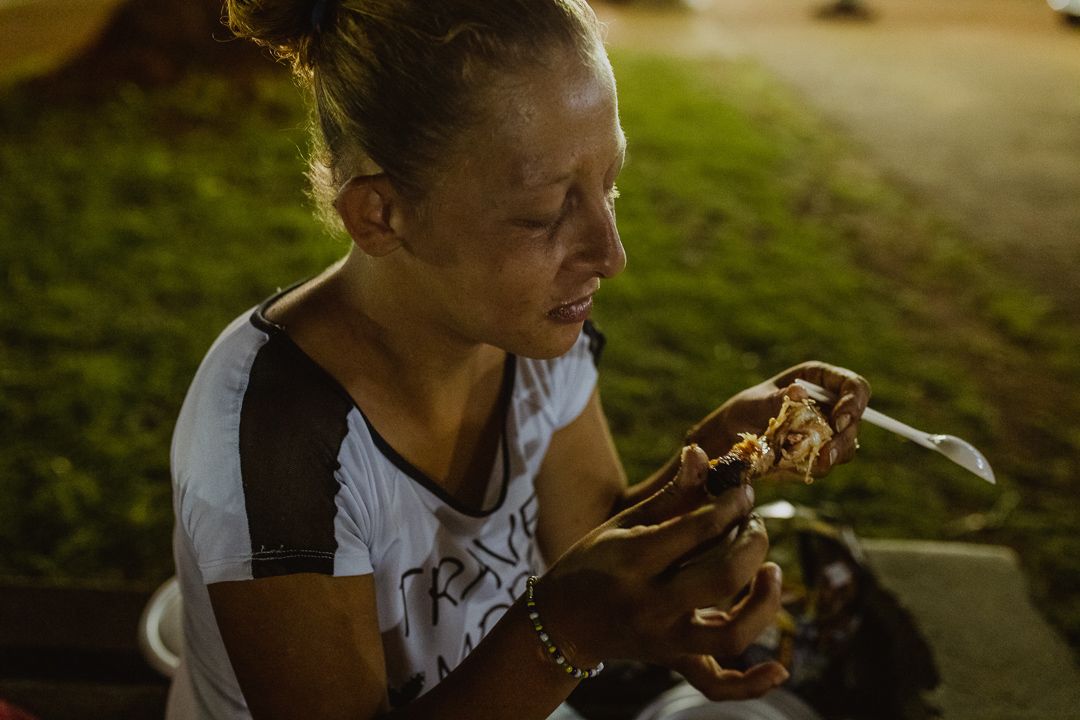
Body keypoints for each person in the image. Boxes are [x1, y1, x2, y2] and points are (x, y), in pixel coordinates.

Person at [166, 1, 869, 718]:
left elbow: (588, 536)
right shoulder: (275, 435)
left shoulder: (525, 335)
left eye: (610, 184)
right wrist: (562, 631)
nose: (611, 255)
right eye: (543, 213)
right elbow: (572, 605)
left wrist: (724, 450)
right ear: (380, 215)